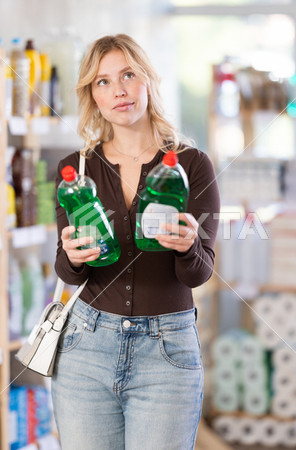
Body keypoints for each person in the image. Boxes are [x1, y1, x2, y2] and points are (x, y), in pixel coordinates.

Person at [52, 33, 220, 450]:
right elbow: (65, 270)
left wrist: (187, 246)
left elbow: (199, 272)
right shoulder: (76, 168)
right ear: (92, 95)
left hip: (166, 354)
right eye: (103, 82)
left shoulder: (191, 164)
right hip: (85, 347)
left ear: (148, 80)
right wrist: (73, 256)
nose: (119, 90)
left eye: (128, 75)